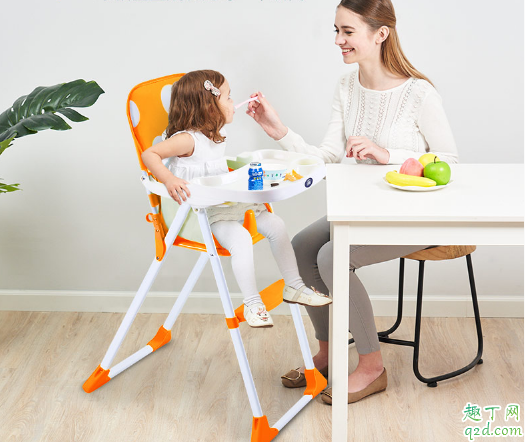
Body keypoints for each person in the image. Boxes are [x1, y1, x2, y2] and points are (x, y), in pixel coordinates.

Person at [246, 0, 458, 403]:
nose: (339, 41)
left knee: (331, 257)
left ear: (380, 34)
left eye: (348, 32)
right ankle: (326, 353)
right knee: (302, 247)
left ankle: (371, 366)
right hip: (362, 209)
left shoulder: (419, 93)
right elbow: (326, 156)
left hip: (416, 216)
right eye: (336, 31)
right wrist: (278, 130)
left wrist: (386, 155)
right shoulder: (347, 87)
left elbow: (449, 161)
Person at [141, 69, 332, 329]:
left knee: (277, 225)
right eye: (228, 98)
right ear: (210, 107)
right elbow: (149, 154)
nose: (233, 102)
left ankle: (295, 287)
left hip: (232, 202)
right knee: (241, 240)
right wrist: (169, 179)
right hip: (208, 211)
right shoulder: (187, 140)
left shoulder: (215, 135)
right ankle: (253, 303)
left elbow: (215, 167)